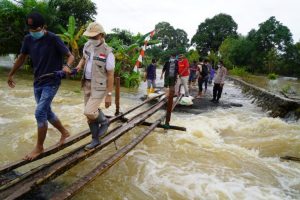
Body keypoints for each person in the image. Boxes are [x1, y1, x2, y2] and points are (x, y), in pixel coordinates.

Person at [7, 12, 74, 160]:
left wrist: (67, 66)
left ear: (44, 27)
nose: (33, 33)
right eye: (31, 30)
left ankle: (39, 147)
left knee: (39, 113)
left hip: (52, 81)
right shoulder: (27, 39)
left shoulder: (53, 38)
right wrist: (11, 74)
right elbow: (21, 58)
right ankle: (65, 132)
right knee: (47, 112)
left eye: (36, 30)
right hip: (38, 81)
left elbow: (70, 55)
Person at [75, 22, 114, 150]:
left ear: (101, 35)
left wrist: (109, 95)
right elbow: (84, 58)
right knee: (89, 115)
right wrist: (80, 65)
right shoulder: (87, 45)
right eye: (89, 37)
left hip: (99, 87)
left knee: (89, 111)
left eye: (94, 37)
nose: (91, 39)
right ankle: (95, 139)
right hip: (86, 83)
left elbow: (110, 75)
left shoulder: (108, 52)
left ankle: (104, 121)